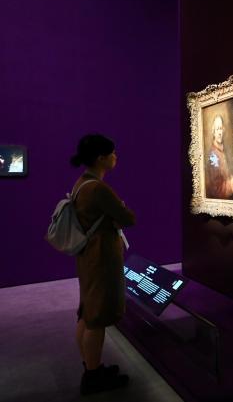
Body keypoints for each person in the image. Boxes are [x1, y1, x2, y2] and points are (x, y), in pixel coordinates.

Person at [70, 134, 135, 394]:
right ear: (101, 158)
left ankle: (91, 366)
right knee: (96, 318)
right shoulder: (97, 188)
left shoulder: (81, 184)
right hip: (102, 259)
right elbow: (128, 217)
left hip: (88, 257)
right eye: (113, 153)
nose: (116, 157)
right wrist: (119, 212)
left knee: (87, 313)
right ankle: (93, 377)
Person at [205, 115, 233, 199]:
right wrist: (230, 186)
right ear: (213, 132)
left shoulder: (222, 150)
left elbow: (226, 174)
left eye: (220, 128)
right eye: (217, 129)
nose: (219, 132)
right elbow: (216, 188)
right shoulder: (213, 155)